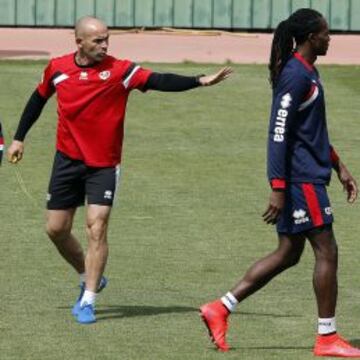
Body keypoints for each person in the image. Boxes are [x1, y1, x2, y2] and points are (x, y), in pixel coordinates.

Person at [7, 16, 232, 325]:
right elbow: (38, 98)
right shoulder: (58, 69)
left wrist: (198, 80)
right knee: (56, 229)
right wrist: (19, 138)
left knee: (96, 228)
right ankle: (90, 277)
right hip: (67, 161)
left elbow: (158, 80)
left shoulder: (121, 71)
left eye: (106, 39)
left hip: (103, 164)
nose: (104, 45)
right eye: (97, 41)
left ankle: (88, 300)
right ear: (79, 43)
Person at [200, 8, 360, 358]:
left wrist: (339, 165)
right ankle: (327, 337)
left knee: (288, 253)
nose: (330, 38)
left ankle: (220, 307)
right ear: (309, 38)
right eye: (325, 33)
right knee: (327, 251)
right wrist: (277, 186)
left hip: (307, 174)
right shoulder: (295, 76)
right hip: (301, 180)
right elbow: (278, 134)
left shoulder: (306, 71)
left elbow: (310, 131)